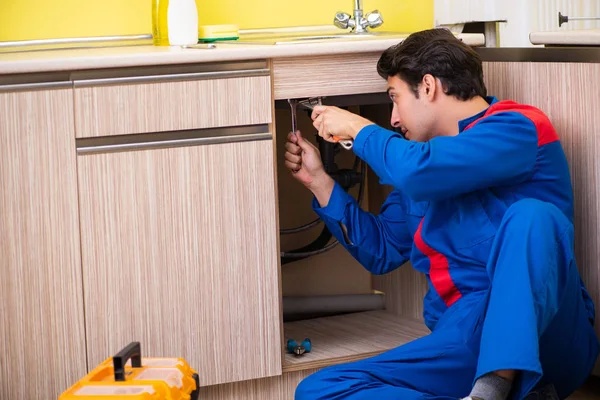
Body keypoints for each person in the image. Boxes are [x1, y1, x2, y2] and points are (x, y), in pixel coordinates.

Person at [284, 28, 600, 400]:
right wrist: (319, 182)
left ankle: (493, 388)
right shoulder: (417, 168)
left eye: (395, 98)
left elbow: (421, 170)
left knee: (533, 217)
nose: (394, 118)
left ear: (429, 86)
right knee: (319, 390)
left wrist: (357, 126)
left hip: (547, 331)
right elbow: (382, 250)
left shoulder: (517, 127)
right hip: (465, 336)